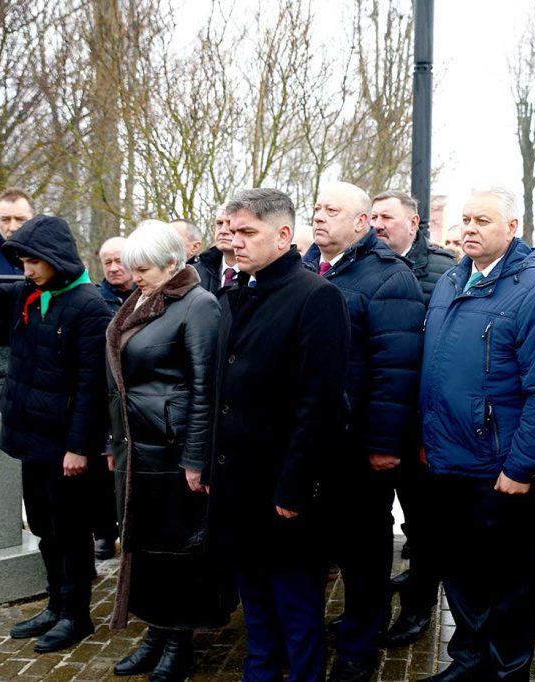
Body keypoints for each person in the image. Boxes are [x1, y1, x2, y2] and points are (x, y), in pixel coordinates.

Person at [420, 187, 535, 681]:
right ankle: (468, 663)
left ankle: (507, 672)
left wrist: (521, 466)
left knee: (506, 585)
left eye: (482, 220)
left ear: (512, 228)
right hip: (447, 461)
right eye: (466, 219)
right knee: (461, 575)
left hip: (498, 468)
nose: (470, 228)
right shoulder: (451, 281)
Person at [206, 187, 350, 682]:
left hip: (282, 489)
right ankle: (260, 672)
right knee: (255, 602)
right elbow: (223, 391)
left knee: (295, 604)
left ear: (284, 235)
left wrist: (294, 488)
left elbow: (321, 404)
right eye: (233, 231)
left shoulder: (317, 297)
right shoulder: (236, 293)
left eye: (248, 232)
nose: (235, 241)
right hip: (238, 484)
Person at [0, 213, 111, 653]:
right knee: (44, 526)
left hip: (65, 447)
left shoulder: (89, 306)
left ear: (56, 258)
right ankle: (55, 604)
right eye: (22, 262)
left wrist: (79, 447)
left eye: (33, 262)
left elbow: (91, 386)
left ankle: (77, 614)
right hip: (31, 438)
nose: (26, 270)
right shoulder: (28, 291)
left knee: (71, 530)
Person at [303, 181, 425, 682]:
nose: (319, 216)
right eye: (316, 208)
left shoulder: (389, 278)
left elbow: (396, 370)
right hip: (312, 443)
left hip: (358, 447)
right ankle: (315, 636)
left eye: (331, 210)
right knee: (314, 547)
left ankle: (360, 642)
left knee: (363, 552)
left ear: (360, 223)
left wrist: (383, 444)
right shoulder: (307, 268)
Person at [103, 221, 230, 681]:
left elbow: (205, 388)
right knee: (146, 548)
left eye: (144, 268)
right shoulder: (141, 300)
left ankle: (178, 640)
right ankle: (155, 633)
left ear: (173, 263)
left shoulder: (198, 304)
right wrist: (113, 440)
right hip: (137, 447)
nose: (133, 275)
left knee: (178, 552)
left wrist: (195, 459)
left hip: (172, 451)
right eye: (132, 267)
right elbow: (119, 381)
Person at [370, 189, 456, 647]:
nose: (378, 225)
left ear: (414, 223)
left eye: (387, 217)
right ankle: (372, 607)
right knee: (371, 521)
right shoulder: (364, 264)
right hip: (375, 420)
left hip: (421, 425)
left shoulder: (445, 271)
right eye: (373, 217)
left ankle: (419, 607)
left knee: (424, 524)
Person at [91, 236, 135, 561]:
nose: (114, 268)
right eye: (107, 262)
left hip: (135, 393)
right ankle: (104, 532)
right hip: (102, 393)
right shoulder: (95, 300)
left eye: (120, 260)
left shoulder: (147, 295)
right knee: (102, 473)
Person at [192, 206, 238, 294]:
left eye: (230, 223)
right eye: (219, 223)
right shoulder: (194, 273)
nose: (223, 231)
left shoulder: (257, 276)